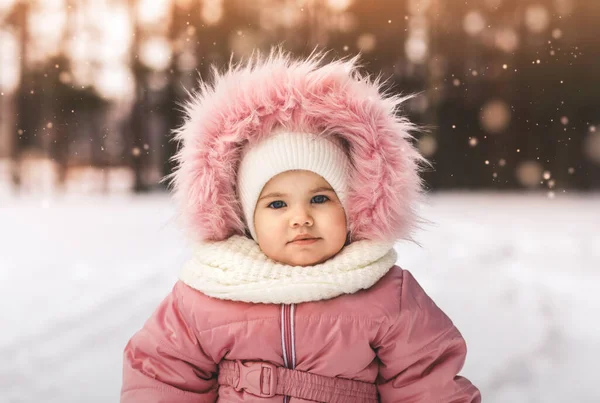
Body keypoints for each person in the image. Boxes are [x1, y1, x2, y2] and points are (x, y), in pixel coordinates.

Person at [121, 48, 481, 402]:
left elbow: (427, 382)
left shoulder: (385, 293)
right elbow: (161, 378)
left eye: (321, 199)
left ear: (352, 207)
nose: (301, 217)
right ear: (247, 219)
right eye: (277, 204)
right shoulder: (208, 292)